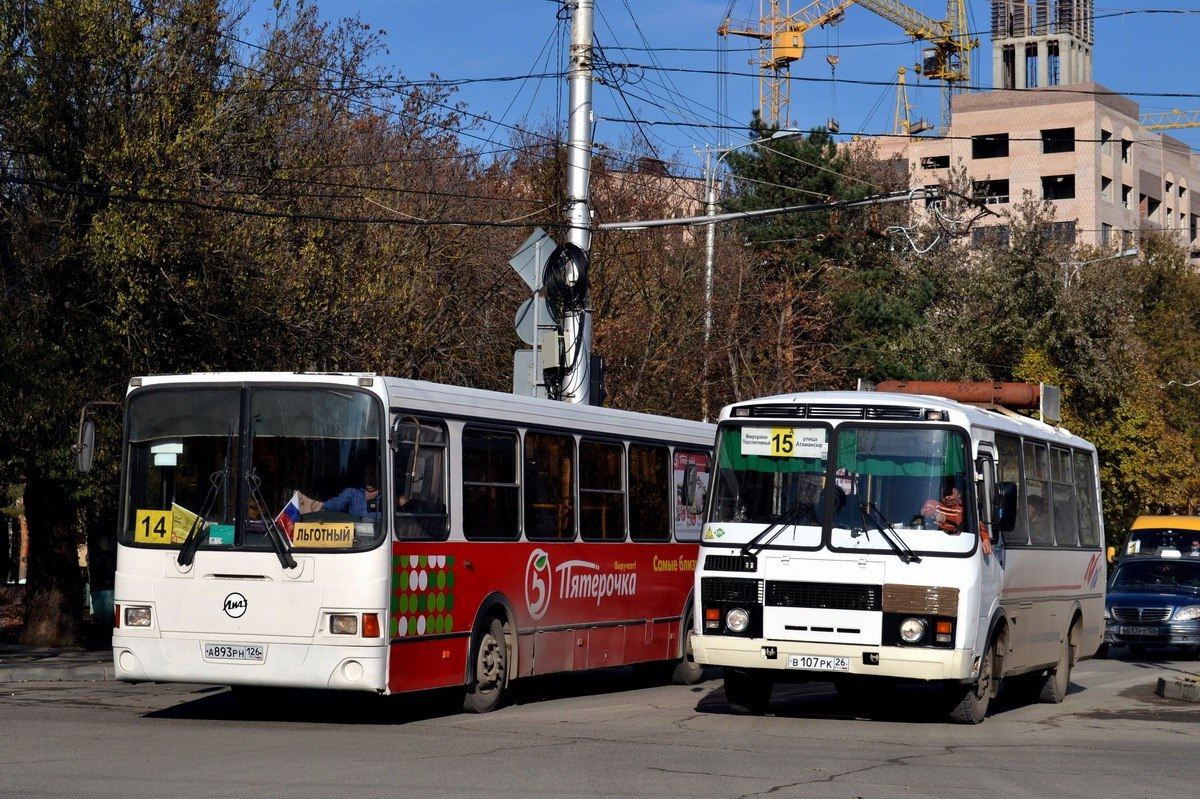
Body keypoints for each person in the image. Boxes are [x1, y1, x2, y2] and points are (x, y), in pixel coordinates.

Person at [921, 480, 993, 556]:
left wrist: (985, 540)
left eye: (951, 494)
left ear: (959, 494)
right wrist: (935, 514)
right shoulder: (933, 503)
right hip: (933, 542)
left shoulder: (963, 510)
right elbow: (924, 512)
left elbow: (978, 525)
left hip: (955, 546)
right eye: (944, 494)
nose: (947, 497)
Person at [297, 472, 380, 518]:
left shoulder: (387, 497)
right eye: (366, 474)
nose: (368, 477)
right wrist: (315, 506)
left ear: (379, 475)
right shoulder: (353, 493)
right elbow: (335, 505)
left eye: (372, 473)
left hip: (378, 539)